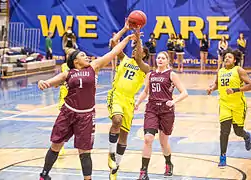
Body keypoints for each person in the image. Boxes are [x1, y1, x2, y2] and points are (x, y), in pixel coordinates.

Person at [38, 32, 137, 180]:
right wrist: (43, 82)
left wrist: (127, 39)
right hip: (68, 113)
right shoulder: (68, 73)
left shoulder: (93, 67)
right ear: (75, 60)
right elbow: (52, 81)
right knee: (56, 145)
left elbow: (113, 52)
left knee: (84, 151)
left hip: (86, 116)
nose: (87, 57)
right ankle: (44, 175)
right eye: (83, 55)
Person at [135, 51, 188, 179]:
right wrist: (137, 103)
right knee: (148, 139)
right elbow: (145, 92)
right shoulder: (150, 74)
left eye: (163, 58)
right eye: (158, 57)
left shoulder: (171, 74)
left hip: (166, 110)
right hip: (152, 109)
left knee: (163, 142)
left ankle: (168, 163)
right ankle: (143, 172)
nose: (160, 59)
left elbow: (184, 92)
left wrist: (173, 101)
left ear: (167, 61)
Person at [107, 24, 150, 180]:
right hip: (117, 95)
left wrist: (138, 39)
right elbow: (113, 42)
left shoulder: (145, 67)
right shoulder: (124, 58)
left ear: (145, 54)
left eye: (139, 50)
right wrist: (125, 30)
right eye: (134, 48)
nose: (135, 51)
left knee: (124, 136)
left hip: (129, 101)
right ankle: (111, 154)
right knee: (116, 120)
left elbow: (138, 57)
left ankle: (115, 168)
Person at [207, 48, 251, 168]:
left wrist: (236, 90)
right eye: (225, 57)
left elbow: (250, 84)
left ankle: (247, 136)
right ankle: (222, 156)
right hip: (224, 104)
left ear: (235, 60)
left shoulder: (238, 70)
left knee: (238, 131)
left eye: (229, 57)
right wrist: (212, 88)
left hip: (238, 105)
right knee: (224, 131)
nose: (226, 58)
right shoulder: (220, 71)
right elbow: (217, 84)